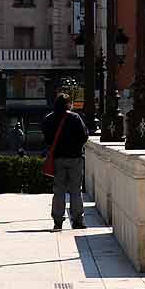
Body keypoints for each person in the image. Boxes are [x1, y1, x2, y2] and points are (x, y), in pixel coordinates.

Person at [41, 93, 89, 231]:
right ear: (68, 104)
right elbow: (84, 135)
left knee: (59, 190)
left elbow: (46, 138)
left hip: (57, 159)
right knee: (75, 190)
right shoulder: (75, 117)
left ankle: (58, 221)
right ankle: (77, 220)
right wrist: (75, 146)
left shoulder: (49, 118)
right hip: (74, 158)